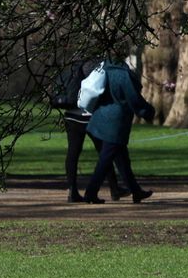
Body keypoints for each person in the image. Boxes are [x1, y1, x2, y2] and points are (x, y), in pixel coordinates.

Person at [82, 57, 155, 203]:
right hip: (114, 124)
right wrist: (147, 111)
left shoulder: (103, 67)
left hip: (99, 119)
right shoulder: (121, 73)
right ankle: (90, 193)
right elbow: (133, 98)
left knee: (122, 160)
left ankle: (136, 191)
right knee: (105, 161)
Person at [50, 58, 103, 203]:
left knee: (73, 153)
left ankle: (72, 190)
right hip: (88, 116)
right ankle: (113, 187)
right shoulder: (94, 65)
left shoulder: (71, 67)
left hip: (71, 115)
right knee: (105, 153)